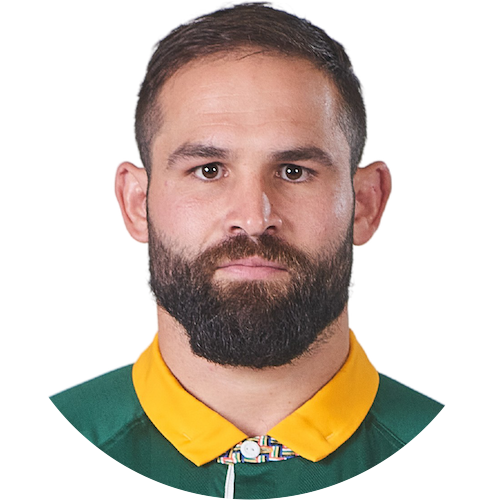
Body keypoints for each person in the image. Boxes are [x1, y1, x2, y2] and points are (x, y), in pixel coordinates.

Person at [48, 2, 444, 498]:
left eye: (295, 171)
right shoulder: (67, 428)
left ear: (367, 204)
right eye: (208, 170)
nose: (254, 218)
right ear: (133, 203)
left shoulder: (470, 469)